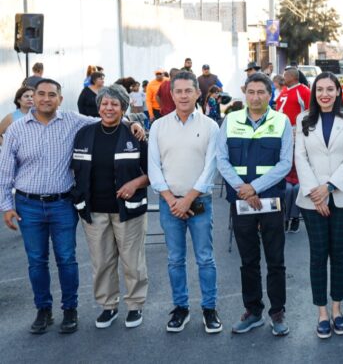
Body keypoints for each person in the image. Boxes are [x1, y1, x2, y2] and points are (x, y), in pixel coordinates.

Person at [0, 79, 143, 334]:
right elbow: (5, 172)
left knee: (71, 259)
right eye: (40, 94)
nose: (45, 99)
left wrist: (132, 122)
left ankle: (76, 310)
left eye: (51, 95)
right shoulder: (19, 130)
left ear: (60, 99)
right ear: (32, 97)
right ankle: (50, 310)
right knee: (42, 261)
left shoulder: (75, 121)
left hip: (71, 204)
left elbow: (112, 118)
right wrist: (6, 206)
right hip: (38, 206)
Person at [216, 73, 292, 336]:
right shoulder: (231, 120)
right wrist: (244, 190)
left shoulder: (282, 122)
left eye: (262, 92)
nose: (256, 97)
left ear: (270, 94)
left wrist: (254, 187)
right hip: (241, 200)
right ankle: (253, 311)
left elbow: (284, 163)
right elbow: (222, 160)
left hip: (270, 199)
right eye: (251, 91)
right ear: (244, 92)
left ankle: (277, 313)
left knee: (275, 260)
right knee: (247, 259)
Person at [148, 71, 222, 334]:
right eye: (178, 91)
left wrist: (188, 198)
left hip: (199, 202)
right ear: (172, 94)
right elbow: (154, 167)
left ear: (197, 93)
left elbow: (211, 166)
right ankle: (180, 308)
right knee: (175, 260)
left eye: (188, 91)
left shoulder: (211, 126)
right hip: (170, 204)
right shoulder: (158, 126)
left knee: (205, 258)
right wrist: (171, 199)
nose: (182, 95)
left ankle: (209, 309)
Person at [70, 84, 150, 329]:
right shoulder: (84, 134)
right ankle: (108, 306)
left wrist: (135, 183)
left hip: (128, 209)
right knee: (102, 262)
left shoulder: (135, 134)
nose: (109, 108)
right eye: (105, 103)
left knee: (132, 261)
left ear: (123, 108)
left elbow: (153, 172)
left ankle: (135, 306)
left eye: (115, 104)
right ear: (99, 107)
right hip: (93, 210)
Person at [294, 72, 343, 338]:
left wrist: (330, 187)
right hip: (312, 200)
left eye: (330, 89)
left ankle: (337, 309)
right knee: (318, 255)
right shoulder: (303, 119)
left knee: (338, 253)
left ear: (338, 91)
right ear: (314, 92)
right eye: (320, 89)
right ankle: (321, 312)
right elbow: (300, 157)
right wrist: (317, 193)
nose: (325, 94)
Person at [275, 67, 311, 233]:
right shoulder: (283, 91)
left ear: (292, 76)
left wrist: (303, 132)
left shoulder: (303, 91)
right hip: (281, 132)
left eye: (285, 74)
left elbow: (310, 112)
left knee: (294, 171)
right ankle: (283, 216)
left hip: (296, 132)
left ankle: (294, 217)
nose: (283, 77)